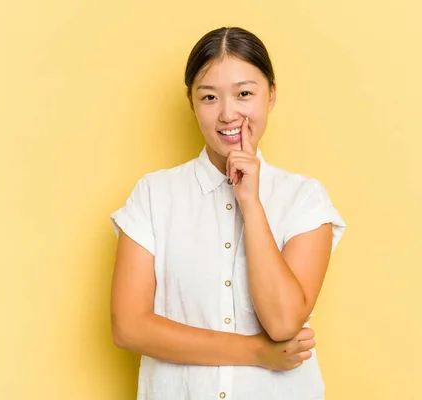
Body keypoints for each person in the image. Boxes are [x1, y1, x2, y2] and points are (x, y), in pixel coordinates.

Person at [109, 26, 346, 400]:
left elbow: (283, 321)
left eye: (244, 94)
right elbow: (129, 327)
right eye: (209, 97)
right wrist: (256, 352)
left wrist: (250, 202)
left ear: (271, 95)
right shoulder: (153, 195)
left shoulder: (304, 198)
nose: (228, 113)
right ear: (191, 102)